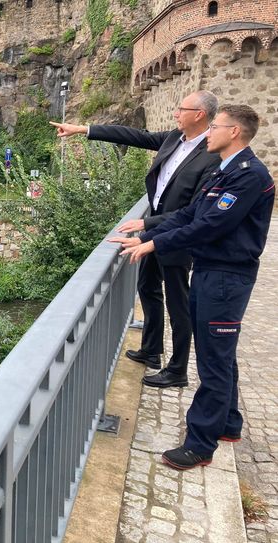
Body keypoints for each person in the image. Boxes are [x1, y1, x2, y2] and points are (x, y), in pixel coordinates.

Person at [110, 104, 274, 470]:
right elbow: (190, 214)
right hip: (210, 271)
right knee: (221, 353)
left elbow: (209, 226)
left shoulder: (247, 175)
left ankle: (200, 444)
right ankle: (229, 424)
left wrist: (153, 244)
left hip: (226, 279)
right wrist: (147, 227)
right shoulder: (223, 170)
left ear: (234, 132)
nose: (208, 133)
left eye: (214, 126)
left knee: (214, 360)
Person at [50, 91, 222, 389]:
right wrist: (84, 130)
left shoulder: (211, 156)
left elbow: (193, 211)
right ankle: (151, 350)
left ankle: (178, 369)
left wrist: (148, 223)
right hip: (154, 231)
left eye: (181, 109)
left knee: (179, 305)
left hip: (177, 237)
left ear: (200, 115)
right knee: (148, 288)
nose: (175, 113)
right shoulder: (173, 138)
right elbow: (133, 136)